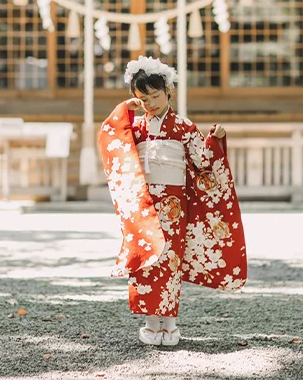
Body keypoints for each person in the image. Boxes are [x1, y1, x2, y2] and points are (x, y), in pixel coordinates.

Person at [98, 55, 247, 347]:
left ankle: (170, 324)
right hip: (143, 202)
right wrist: (122, 113)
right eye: (142, 98)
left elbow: (202, 161)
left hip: (174, 204)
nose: (150, 103)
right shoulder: (136, 127)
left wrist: (215, 139)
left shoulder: (183, 126)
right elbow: (111, 137)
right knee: (145, 260)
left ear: (168, 91)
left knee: (169, 260)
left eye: (155, 95)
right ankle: (150, 322)